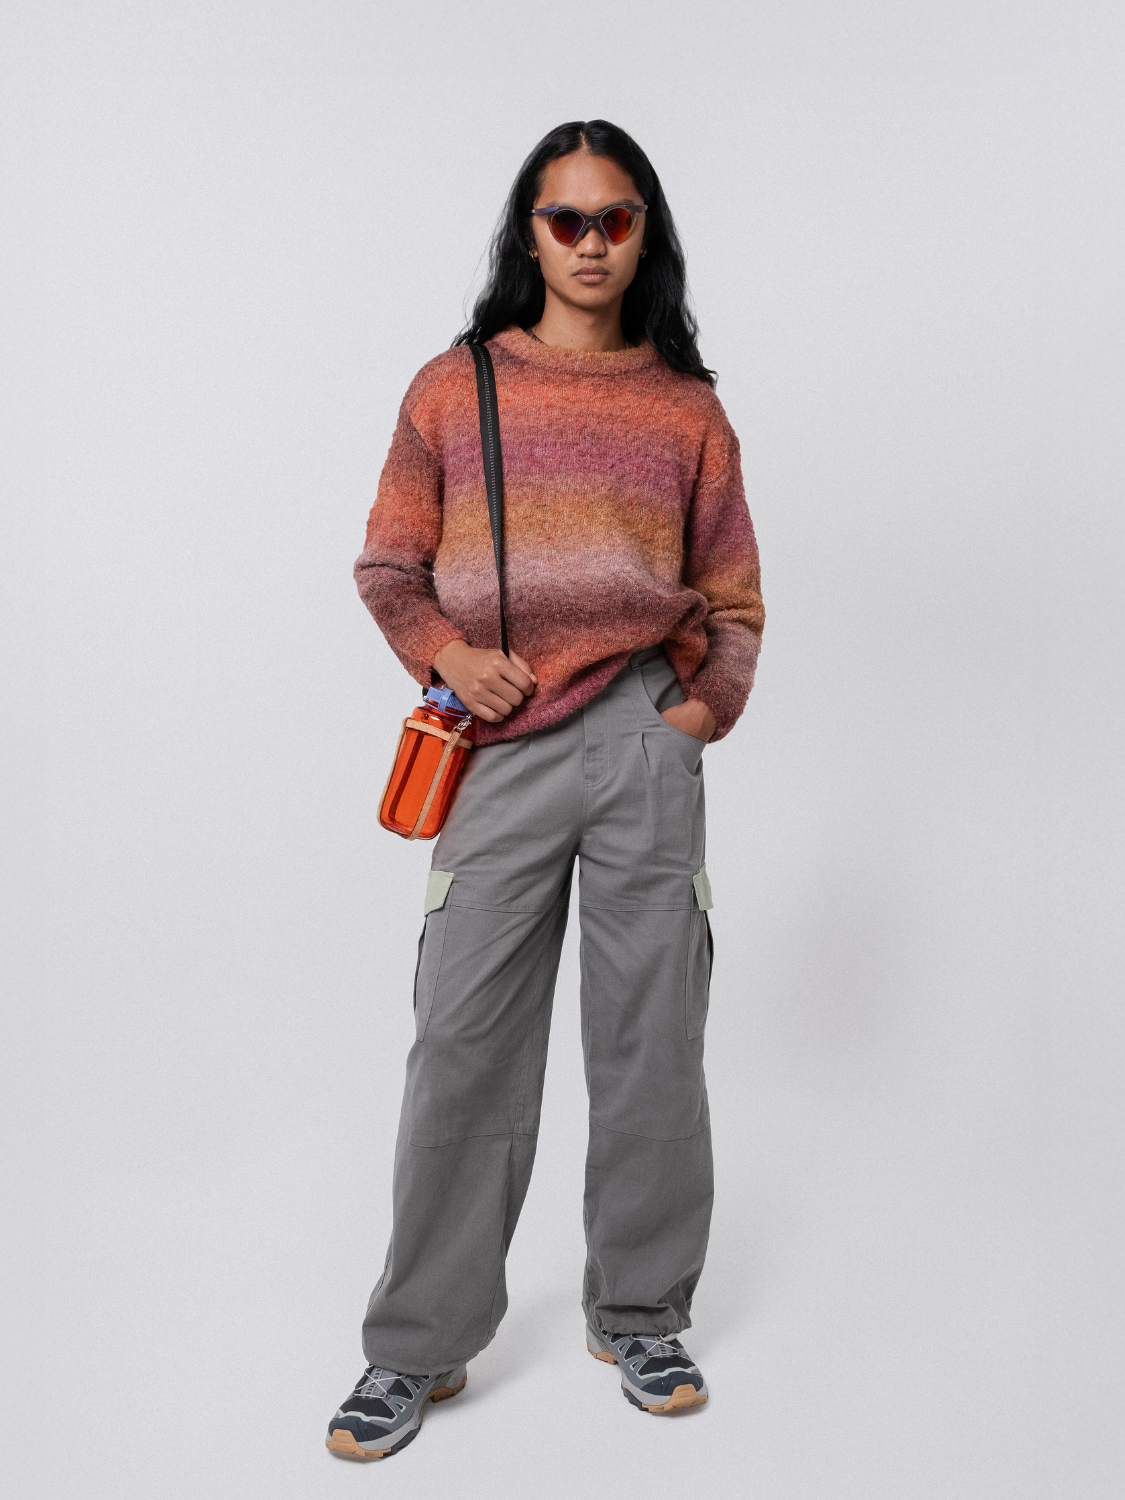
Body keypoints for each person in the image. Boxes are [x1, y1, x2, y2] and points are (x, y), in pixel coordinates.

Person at [326, 118, 764, 1460]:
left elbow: (735, 599)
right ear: (529, 231)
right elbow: (389, 566)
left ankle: (641, 1313)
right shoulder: (453, 389)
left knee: (652, 1046)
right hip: (498, 750)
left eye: (614, 219)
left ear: (645, 235)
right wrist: (451, 655)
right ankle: (418, 1343)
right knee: (463, 1046)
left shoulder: (686, 409)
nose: (589, 242)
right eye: (565, 218)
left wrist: (694, 716)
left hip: (640, 741)